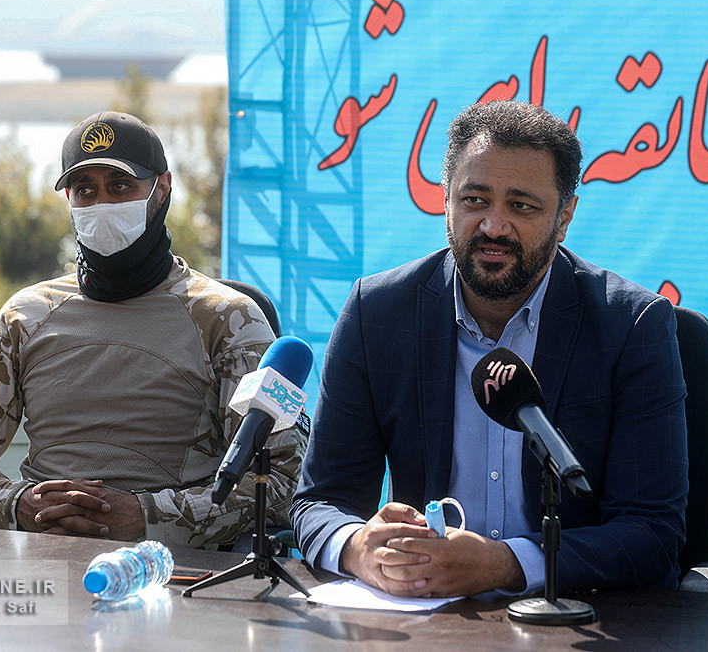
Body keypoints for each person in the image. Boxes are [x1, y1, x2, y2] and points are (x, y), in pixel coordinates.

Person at [291, 100, 687, 597]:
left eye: (521, 206)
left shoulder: (631, 325)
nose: (494, 226)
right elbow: (320, 501)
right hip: (428, 614)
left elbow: (652, 533)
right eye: (475, 200)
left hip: (577, 615)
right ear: (446, 201)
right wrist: (356, 547)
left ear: (564, 217)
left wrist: (506, 565)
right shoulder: (377, 313)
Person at [0, 111, 306, 548]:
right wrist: (19, 505)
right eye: (85, 190)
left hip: (174, 566)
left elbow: (281, 480)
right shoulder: (24, 316)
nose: (101, 204)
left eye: (120, 186)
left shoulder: (229, 319)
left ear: (162, 188)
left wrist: (147, 517)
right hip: (41, 556)